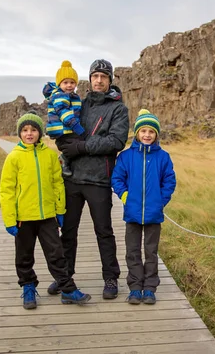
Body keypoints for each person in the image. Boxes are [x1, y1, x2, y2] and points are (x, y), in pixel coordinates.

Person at [47, 59, 129, 299]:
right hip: (72, 178)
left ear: (110, 80)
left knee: (104, 230)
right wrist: (64, 144)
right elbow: (62, 127)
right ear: (90, 79)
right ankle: (64, 278)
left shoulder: (118, 109)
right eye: (95, 76)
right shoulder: (79, 104)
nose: (99, 80)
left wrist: (81, 147)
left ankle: (111, 278)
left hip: (100, 178)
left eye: (104, 76)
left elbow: (115, 142)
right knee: (68, 232)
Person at [0, 111, 91, 309]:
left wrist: (60, 210)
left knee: (56, 254)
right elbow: (6, 191)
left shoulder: (49, 155)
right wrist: (9, 219)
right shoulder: (13, 158)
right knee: (24, 256)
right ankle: (28, 288)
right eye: (25, 130)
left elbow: (57, 183)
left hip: (47, 216)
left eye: (33, 130)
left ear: (40, 133)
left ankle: (67, 289)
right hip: (23, 218)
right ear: (20, 134)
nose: (29, 133)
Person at [111, 109, 176, 305]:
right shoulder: (126, 156)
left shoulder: (163, 157)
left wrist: (160, 201)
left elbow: (169, 181)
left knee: (151, 251)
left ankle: (149, 288)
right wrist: (125, 196)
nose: (147, 135)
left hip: (153, 215)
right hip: (132, 213)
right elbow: (117, 178)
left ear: (156, 134)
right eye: (143, 131)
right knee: (132, 251)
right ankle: (135, 287)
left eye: (151, 131)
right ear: (137, 133)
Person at [42, 60, 85, 177]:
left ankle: (66, 162)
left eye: (72, 82)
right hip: (62, 129)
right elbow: (63, 111)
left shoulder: (71, 96)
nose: (69, 85)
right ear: (59, 84)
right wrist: (75, 125)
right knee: (76, 145)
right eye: (65, 82)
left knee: (75, 145)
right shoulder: (60, 96)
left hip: (65, 128)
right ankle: (63, 160)